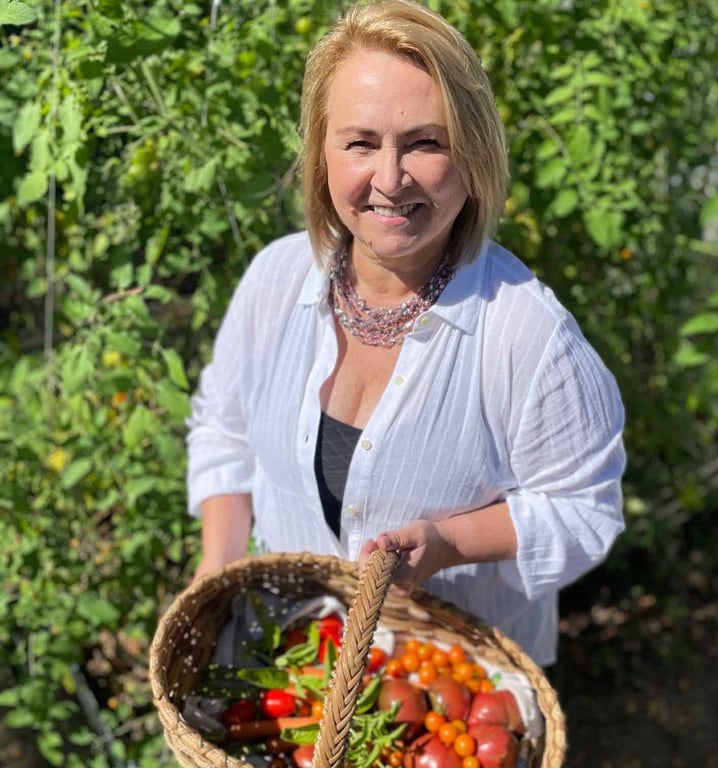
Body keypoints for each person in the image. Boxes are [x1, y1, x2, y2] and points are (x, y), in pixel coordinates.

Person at [186, 0, 626, 667]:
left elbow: (583, 507)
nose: (389, 180)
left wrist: (451, 541)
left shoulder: (524, 333)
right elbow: (226, 427)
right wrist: (216, 573)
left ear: (472, 152)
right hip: (291, 664)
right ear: (322, 154)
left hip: (448, 699)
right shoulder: (276, 280)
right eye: (360, 142)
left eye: (425, 142)